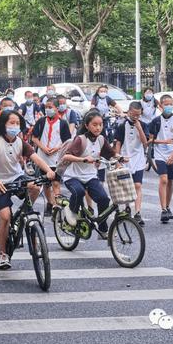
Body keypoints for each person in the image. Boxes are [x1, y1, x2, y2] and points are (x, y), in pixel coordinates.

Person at [0, 110, 55, 269]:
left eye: (17, 123)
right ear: (3, 124)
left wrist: (49, 171)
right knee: (5, 216)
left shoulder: (20, 142)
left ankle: (23, 212)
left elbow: (35, 158)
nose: (15, 126)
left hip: (16, 178)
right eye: (11, 123)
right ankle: (3, 254)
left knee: (35, 186)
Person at [59, 111, 121, 239]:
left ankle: (103, 229)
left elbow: (111, 153)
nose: (98, 127)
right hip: (73, 176)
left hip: (90, 176)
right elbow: (67, 156)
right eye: (94, 125)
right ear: (87, 126)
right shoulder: (80, 139)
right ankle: (71, 212)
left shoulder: (101, 139)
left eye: (100, 124)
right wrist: (83, 159)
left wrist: (120, 157)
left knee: (104, 199)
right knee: (79, 192)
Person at [149, 94, 173, 223]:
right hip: (160, 154)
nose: (169, 106)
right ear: (161, 106)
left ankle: (168, 206)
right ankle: (163, 209)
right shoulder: (156, 121)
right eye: (166, 104)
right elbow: (151, 140)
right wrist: (163, 142)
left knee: (170, 181)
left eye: (171, 104)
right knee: (163, 179)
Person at [32, 98, 71, 210]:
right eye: (46, 107)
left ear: (57, 108)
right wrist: (43, 148)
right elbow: (34, 138)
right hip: (43, 157)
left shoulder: (62, 123)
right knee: (46, 183)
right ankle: (50, 202)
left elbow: (67, 142)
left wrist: (57, 148)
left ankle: (56, 206)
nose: (48, 109)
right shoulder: (41, 121)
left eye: (50, 107)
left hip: (56, 158)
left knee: (56, 182)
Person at [114, 101, 148, 226]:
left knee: (138, 185)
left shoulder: (143, 125)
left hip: (138, 159)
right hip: (125, 158)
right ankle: (127, 207)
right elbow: (118, 143)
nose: (136, 117)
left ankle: (138, 212)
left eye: (138, 115)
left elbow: (145, 143)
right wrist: (118, 161)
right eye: (133, 114)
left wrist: (139, 127)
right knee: (127, 186)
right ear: (128, 112)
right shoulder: (122, 126)